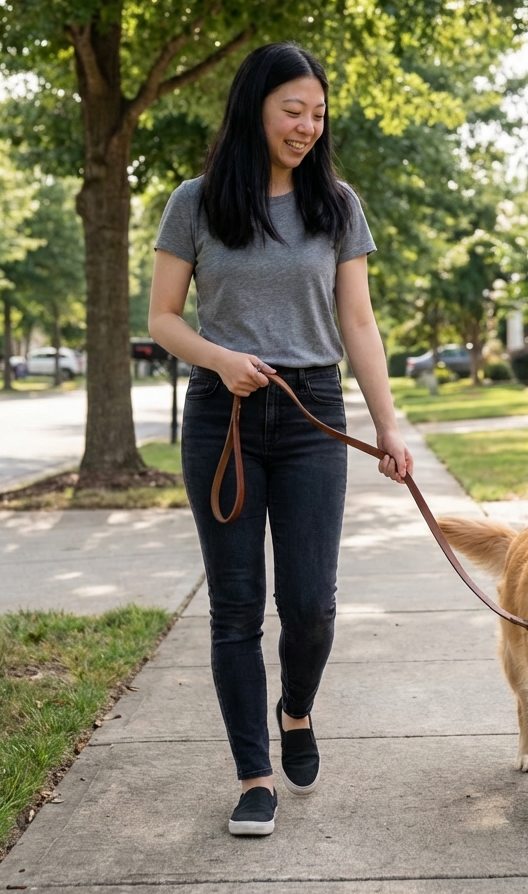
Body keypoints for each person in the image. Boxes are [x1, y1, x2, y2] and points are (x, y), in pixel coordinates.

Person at [148, 42, 413, 837]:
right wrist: (221, 359)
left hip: (311, 414)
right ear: (255, 108)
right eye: (292, 110)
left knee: (311, 607)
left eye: (317, 113)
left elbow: (358, 323)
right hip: (222, 416)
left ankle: (295, 709)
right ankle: (253, 776)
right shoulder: (195, 203)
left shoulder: (336, 204)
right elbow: (160, 319)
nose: (306, 125)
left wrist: (388, 423)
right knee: (235, 609)